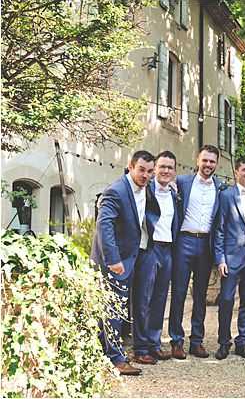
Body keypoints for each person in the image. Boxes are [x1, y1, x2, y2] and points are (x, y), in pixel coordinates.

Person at [91, 150, 155, 376]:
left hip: (136, 255)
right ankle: (116, 359)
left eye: (150, 171)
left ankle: (102, 352)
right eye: (141, 170)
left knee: (123, 307)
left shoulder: (147, 188)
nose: (146, 175)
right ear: (130, 166)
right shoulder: (115, 191)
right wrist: (113, 260)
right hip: (115, 260)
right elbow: (104, 226)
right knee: (114, 310)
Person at [168, 145, 223, 359]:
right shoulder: (182, 182)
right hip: (184, 241)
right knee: (179, 293)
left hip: (206, 244)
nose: (208, 165)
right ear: (197, 160)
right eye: (205, 160)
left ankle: (197, 341)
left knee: (201, 295)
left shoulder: (221, 187)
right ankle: (176, 340)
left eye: (212, 161)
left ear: (216, 164)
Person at [131, 151, 179, 365]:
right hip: (149, 249)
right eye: (162, 167)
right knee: (143, 300)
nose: (165, 171)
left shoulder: (175, 194)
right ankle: (140, 348)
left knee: (160, 299)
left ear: (174, 171)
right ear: (154, 169)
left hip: (168, 249)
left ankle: (154, 343)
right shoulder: (145, 189)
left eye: (170, 167)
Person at [214, 159, 245, 360]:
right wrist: (220, 259)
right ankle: (223, 342)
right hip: (231, 255)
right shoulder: (226, 196)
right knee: (226, 299)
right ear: (236, 172)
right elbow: (219, 229)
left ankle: (243, 341)